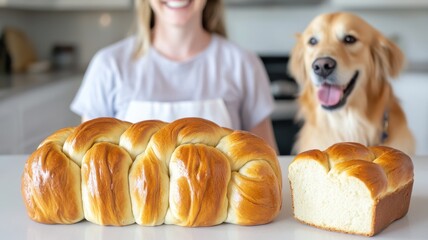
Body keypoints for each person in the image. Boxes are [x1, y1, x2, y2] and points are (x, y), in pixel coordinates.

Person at [70, 0, 278, 152]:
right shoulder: (109, 65)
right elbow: (88, 168)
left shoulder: (243, 64)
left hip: (224, 214)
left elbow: (267, 164)